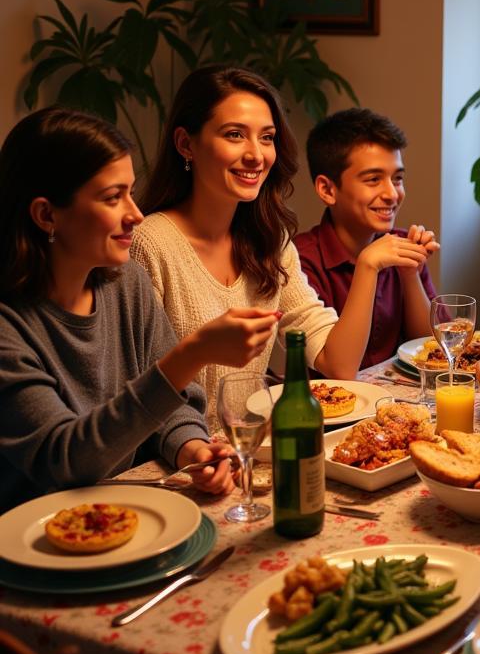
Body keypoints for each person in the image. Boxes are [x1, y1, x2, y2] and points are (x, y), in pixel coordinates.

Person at [0, 109, 274, 511]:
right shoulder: (10, 324)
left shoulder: (125, 282)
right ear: (46, 215)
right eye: (113, 198)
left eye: (131, 191)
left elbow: (170, 405)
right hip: (34, 547)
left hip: (125, 513)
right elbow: (66, 462)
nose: (136, 214)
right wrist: (191, 354)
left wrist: (193, 449)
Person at [132, 65, 353, 427]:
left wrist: (371, 268)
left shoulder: (270, 239)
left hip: (249, 448)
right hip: (177, 456)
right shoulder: (149, 243)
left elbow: (336, 362)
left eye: (266, 138)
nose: (256, 155)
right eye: (235, 135)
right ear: (186, 144)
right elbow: (139, 390)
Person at [294, 108, 439, 370]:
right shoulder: (301, 260)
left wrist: (409, 274)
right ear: (327, 189)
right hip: (331, 405)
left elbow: (431, 350)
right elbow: (339, 369)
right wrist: (367, 265)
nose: (392, 194)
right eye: (373, 179)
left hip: (399, 403)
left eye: (397, 179)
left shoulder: (402, 244)